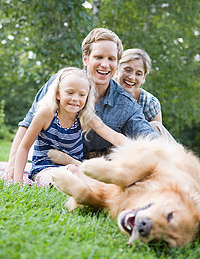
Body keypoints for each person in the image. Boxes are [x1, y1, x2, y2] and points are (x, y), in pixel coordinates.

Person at [5, 28, 158, 181]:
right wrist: (12, 170)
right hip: (50, 165)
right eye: (99, 57)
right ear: (86, 59)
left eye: (111, 59)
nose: (105, 64)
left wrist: (156, 153)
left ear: (117, 64)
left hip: (89, 166)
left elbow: (136, 135)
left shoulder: (125, 104)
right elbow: (27, 125)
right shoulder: (61, 83)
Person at [14, 67, 128, 184]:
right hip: (44, 170)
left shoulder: (85, 115)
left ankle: (99, 188)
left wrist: (137, 148)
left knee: (90, 173)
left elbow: (114, 136)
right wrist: (17, 182)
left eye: (82, 95)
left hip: (76, 168)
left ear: (87, 97)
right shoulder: (46, 114)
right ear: (58, 94)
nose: (75, 99)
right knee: (72, 173)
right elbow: (24, 147)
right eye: (70, 92)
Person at [115, 48, 177, 143]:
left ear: (144, 77)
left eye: (138, 74)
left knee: (155, 126)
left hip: (141, 146)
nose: (132, 77)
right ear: (117, 69)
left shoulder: (149, 103)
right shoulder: (105, 93)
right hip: (112, 146)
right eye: (128, 70)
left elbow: (157, 135)